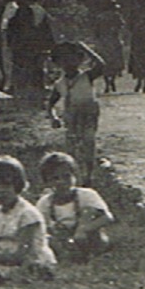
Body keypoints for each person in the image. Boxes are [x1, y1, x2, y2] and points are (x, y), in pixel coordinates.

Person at [35, 151, 115, 261]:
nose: (61, 182)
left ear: (75, 176)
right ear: (47, 181)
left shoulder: (87, 195)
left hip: (86, 236)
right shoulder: (45, 202)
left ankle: (93, 255)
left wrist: (84, 228)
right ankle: (65, 257)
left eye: (66, 176)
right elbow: (40, 227)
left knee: (89, 212)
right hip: (61, 238)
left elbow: (107, 217)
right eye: (55, 178)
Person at [48, 40, 106, 185]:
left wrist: (86, 49)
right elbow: (50, 104)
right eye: (63, 59)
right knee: (71, 145)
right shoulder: (59, 83)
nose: (68, 63)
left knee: (88, 140)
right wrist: (53, 117)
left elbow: (101, 65)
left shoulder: (87, 76)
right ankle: (73, 175)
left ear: (80, 59)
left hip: (88, 112)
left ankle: (89, 175)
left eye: (72, 58)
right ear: (58, 63)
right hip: (71, 114)